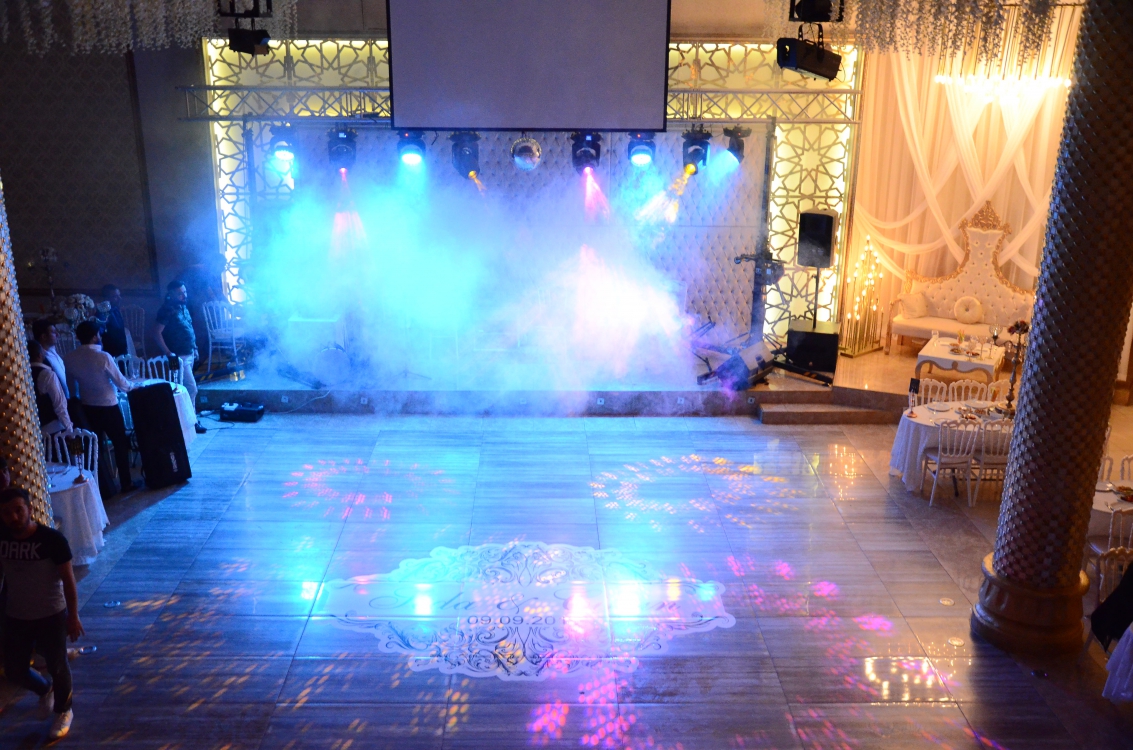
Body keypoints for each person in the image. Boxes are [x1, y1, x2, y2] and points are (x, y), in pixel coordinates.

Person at [0, 487, 83, 740]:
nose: (14, 517)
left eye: (19, 510)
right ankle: (45, 689)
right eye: (7, 513)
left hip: (51, 614)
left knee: (58, 665)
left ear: (30, 509)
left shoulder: (51, 540)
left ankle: (64, 710)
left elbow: (68, 581)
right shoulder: (2, 539)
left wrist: (73, 616)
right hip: (16, 615)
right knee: (14, 669)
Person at [63, 322, 137, 494]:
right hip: (109, 406)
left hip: (87, 407)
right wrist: (135, 387)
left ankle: (101, 485)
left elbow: (71, 387)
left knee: (96, 448)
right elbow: (121, 383)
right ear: (94, 336)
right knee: (120, 444)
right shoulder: (103, 357)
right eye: (99, 334)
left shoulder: (69, 358)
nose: (101, 336)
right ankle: (126, 483)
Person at [155, 280, 206, 434]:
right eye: (180, 293)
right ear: (171, 294)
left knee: (187, 389)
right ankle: (191, 422)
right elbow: (156, 334)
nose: (184, 296)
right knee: (190, 388)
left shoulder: (183, 307)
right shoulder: (166, 310)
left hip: (189, 353)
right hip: (177, 357)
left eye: (185, 292)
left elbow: (189, 328)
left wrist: (195, 348)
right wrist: (169, 353)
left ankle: (189, 420)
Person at [28, 340, 73, 436]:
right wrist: (69, 430)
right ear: (40, 355)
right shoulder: (47, 374)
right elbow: (60, 405)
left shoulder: (24, 375)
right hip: (55, 428)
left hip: (35, 429)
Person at [31, 319, 69, 400]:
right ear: (44, 337)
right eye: (53, 332)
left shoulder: (53, 353)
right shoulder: (41, 359)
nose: (57, 335)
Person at [97, 284, 129, 358]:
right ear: (106, 298)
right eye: (115, 296)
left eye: (119, 295)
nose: (119, 298)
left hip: (121, 347)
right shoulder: (103, 312)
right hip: (111, 349)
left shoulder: (116, 309)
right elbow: (100, 330)